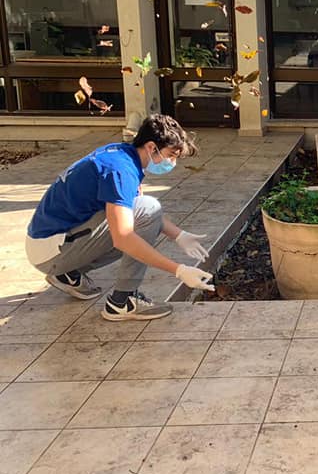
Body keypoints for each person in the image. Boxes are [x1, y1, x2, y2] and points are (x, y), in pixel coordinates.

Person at [24, 114, 216, 321]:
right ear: (151, 147)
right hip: (52, 251)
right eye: (171, 155)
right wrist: (178, 270)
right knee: (138, 224)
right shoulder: (120, 171)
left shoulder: (123, 154)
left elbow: (139, 211)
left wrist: (179, 235)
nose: (173, 163)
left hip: (49, 243)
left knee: (143, 214)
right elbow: (123, 236)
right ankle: (121, 302)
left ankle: (68, 274)